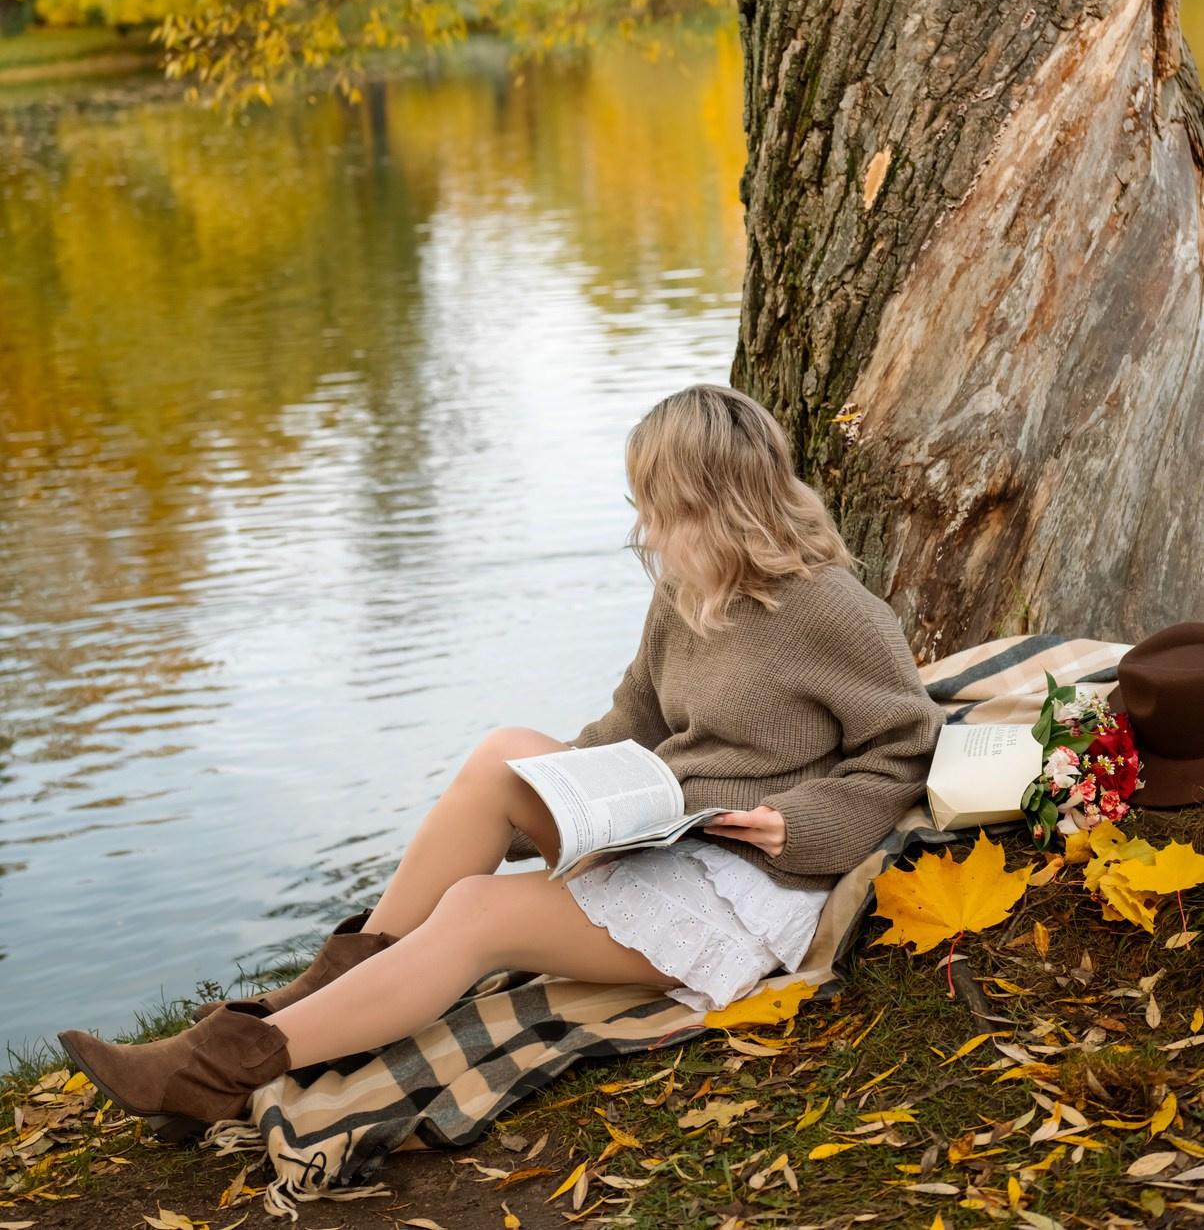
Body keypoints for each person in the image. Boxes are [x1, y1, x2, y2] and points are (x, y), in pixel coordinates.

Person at [59, 384, 944, 1141]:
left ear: (717, 504)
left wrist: (801, 824)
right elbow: (632, 719)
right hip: (666, 821)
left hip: (741, 878)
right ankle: (322, 996)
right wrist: (567, 799)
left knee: (476, 909)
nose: (643, 528)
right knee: (502, 756)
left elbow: (902, 749)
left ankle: (211, 1072)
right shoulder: (689, 594)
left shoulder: (835, 612)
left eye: (657, 507)